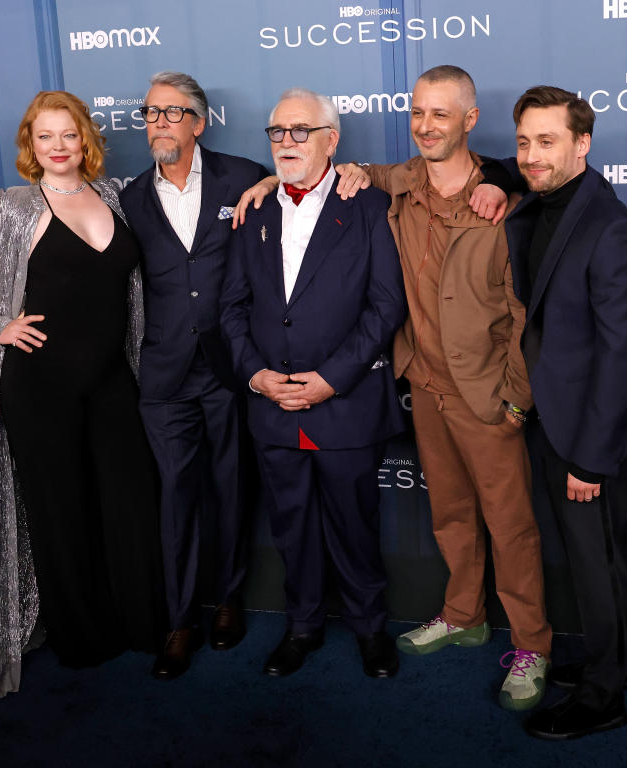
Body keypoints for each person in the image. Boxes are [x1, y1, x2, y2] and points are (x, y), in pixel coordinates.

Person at [234, 66, 552, 710]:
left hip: (487, 391)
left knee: (510, 525)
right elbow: (313, 171)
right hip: (427, 386)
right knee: (452, 515)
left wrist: (518, 394)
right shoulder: (392, 186)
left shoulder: (504, 198)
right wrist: (270, 177)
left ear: (469, 120)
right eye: (417, 113)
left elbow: (526, 311)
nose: (426, 125)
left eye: (441, 114)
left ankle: (533, 645)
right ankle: (464, 614)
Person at [0, 91, 165, 714]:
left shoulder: (117, 198)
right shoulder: (13, 207)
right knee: (60, 512)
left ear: (85, 139)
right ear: (30, 146)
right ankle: (82, 637)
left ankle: (141, 623)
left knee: (128, 501)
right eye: (46, 137)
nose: (59, 147)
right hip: (39, 384)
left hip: (111, 379)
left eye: (68, 135)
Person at [220, 88, 406, 679]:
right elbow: (232, 307)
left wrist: (331, 380)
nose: (287, 143)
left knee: (354, 525)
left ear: (332, 139)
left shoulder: (372, 207)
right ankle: (302, 626)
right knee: (292, 526)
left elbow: (385, 306)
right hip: (274, 407)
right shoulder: (253, 212)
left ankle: (371, 628)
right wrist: (255, 375)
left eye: (301, 131)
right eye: (277, 132)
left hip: (344, 405)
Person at [505, 86, 627, 740]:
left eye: (548, 142)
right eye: (523, 141)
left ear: (583, 144)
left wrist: (592, 457)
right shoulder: (548, 202)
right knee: (604, 556)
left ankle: (603, 696)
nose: (531, 156)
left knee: (594, 561)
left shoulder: (607, 225)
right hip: (557, 416)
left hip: (590, 431)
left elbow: (621, 354)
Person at [119, 72, 268, 680]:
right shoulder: (129, 197)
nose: (158, 123)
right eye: (150, 113)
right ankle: (181, 619)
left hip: (228, 367)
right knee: (176, 498)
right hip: (163, 375)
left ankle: (229, 598)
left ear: (199, 123)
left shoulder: (245, 175)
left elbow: (317, 184)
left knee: (231, 488)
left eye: (171, 113)